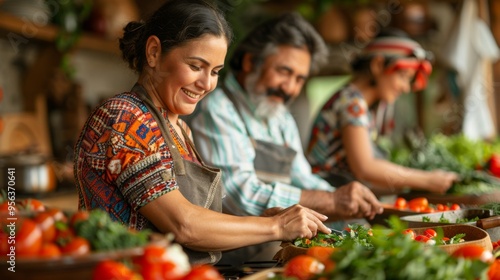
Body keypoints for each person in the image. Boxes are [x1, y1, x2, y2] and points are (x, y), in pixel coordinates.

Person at [73, 0, 331, 265]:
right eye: (196, 66)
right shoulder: (124, 118)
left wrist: (263, 222)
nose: (207, 84)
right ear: (153, 52)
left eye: (215, 71)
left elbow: (196, 217)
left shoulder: (180, 128)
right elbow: (184, 225)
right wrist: (276, 226)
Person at [187, 12, 383, 223]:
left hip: (274, 242)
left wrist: (343, 196)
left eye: (299, 79)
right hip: (232, 252)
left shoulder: (280, 116)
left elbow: (302, 177)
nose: (289, 88)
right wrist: (332, 200)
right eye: (283, 71)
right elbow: (238, 196)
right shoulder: (217, 109)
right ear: (250, 62)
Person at [306, 31, 458, 194]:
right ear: (378, 65)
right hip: (326, 201)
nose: (406, 87)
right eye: (403, 76)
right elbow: (365, 167)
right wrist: (427, 180)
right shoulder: (351, 103)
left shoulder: (365, 107)